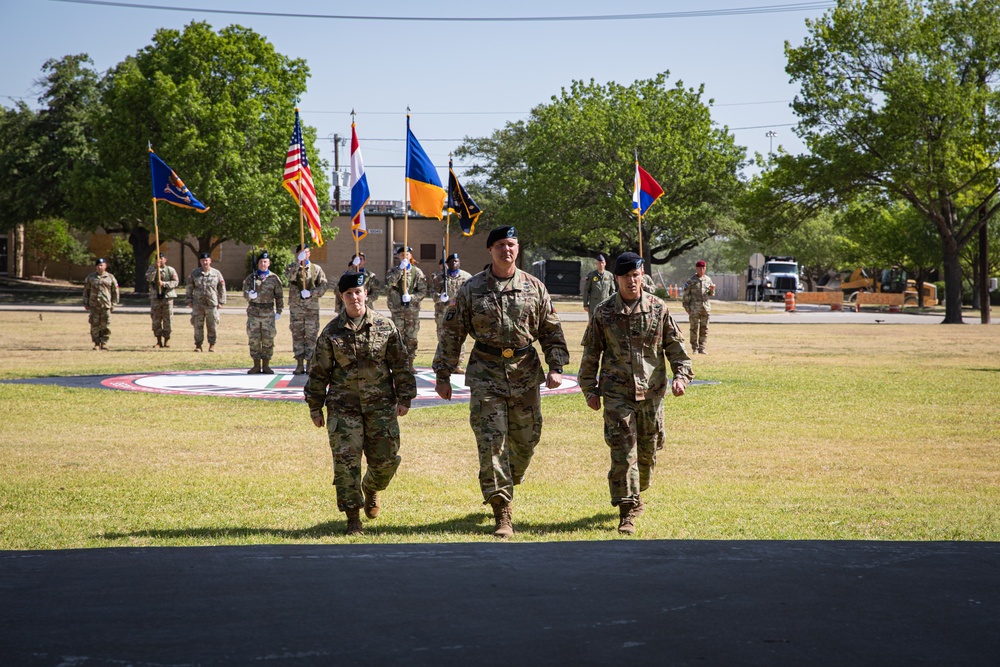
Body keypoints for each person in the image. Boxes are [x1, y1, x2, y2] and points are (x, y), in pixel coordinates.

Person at [433, 225, 569, 538]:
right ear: (490, 250)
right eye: (500, 245)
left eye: (511, 244)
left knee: (525, 443)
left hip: (525, 373)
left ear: (517, 249)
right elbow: (452, 333)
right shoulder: (471, 288)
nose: (506, 250)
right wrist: (443, 373)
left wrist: (556, 365)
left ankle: (508, 480)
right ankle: (502, 511)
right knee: (491, 443)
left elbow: (550, 330)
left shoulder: (535, 287)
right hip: (486, 373)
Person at [579, 252, 693, 535]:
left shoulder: (658, 308)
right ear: (616, 279)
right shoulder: (604, 312)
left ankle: (638, 490)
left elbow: (676, 348)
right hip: (617, 393)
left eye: (636, 275)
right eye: (626, 276)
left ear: (643, 276)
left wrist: (682, 376)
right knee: (622, 453)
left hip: (652, 392)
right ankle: (626, 509)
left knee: (648, 453)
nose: (632, 281)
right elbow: (591, 354)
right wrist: (589, 389)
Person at [305, 271, 416, 536]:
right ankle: (353, 517)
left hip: (381, 407)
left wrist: (405, 396)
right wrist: (314, 406)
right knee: (346, 463)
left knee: (386, 461)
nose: (354, 297)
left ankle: (372, 488)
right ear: (341, 297)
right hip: (344, 409)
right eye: (348, 294)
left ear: (366, 294)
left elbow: (401, 364)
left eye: (358, 292)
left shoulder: (385, 326)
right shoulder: (331, 332)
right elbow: (319, 372)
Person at [285, 244, 328, 375]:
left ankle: (310, 363)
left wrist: (311, 293)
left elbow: (323, 286)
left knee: (311, 336)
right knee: (297, 335)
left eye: (307, 252)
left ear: (310, 254)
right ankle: (299, 363)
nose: (305, 254)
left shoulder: (316, 269)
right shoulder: (292, 268)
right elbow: (289, 277)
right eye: (302, 252)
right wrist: (298, 264)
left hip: (311, 308)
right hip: (296, 308)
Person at [384, 245, 426, 371]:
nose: (404, 256)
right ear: (398, 256)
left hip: (411, 312)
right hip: (397, 311)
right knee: (397, 338)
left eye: (407, 254)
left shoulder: (417, 272)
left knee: (411, 338)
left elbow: (423, 291)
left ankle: (410, 363)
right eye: (402, 255)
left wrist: (412, 297)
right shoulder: (392, 271)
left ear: (410, 256)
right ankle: (398, 363)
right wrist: (399, 270)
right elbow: (390, 283)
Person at [428, 253, 473, 369]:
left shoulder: (467, 277)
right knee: (443, 338)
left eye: (456, 261)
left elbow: (471, 294)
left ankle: (458, 365)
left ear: (460, 263)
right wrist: (440, 297)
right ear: (446, 264)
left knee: (460, 338)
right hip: (442, 313)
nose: (454, 263)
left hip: (459, 313)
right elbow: (432, 294)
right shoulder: (439, 278)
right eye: (451, 261)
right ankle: (443, 363)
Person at [242, 251, 284, 374]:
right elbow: (245, 293)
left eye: (265, 262)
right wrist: (249, 295)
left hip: (268, 313)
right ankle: (256, 365)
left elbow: (279, 296)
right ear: (258, 263)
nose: (263, 264)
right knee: (254, 339)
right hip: (254, 313)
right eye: (261, 262)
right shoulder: (251, 278)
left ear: (269, 263)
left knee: (268, 339)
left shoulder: (274, 278)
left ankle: (266, 365)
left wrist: (279, 311)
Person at [185, 252, 227, 352]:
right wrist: (189, 300)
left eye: (206, 260)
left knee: (212, 325)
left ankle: (212, 345)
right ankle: (198, 345)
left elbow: (222, 288)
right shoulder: (195, 273)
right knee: (197, 326)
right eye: (203, 261)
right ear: (200, 261)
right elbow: (189, 287)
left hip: (211, 304)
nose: (205, 262)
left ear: (210, 261)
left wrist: (221, 301)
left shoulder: (216, 273)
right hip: (198, 304)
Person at [82, 257, 119, 350]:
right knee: (94, 325)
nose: (100, 267)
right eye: (98, 265)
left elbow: (115, 292)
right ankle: (96, 343)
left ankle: (104, 343)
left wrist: (114, 304)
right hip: (94, 305)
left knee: (105, 325)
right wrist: (85, 303)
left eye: (101, 265)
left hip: (105, 305)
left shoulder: (110, 277)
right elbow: (86, 291)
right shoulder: (91, 277)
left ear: (105, 266)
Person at [145, 252, 179, 348]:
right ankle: (158, 340)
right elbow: (149, 279)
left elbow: (175, 282)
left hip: (167, 297)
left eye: (161, 258)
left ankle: (167, 339)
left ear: (165, 260)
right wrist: (155, 269)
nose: (160, 260)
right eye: (158, 259)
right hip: (156, 298)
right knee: (156, 319)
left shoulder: (170, 270)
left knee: (167, 319)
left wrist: (164, 284)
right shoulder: (152, 269)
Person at [682, 259, 716, 354]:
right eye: (700, 268)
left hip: (705, 308)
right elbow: (686, 295)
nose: (702, 269)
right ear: (696, 268)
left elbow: (710, 294)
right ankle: (694, 348)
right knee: (694, 329)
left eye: (703, 268)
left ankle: (702, 347)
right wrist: (687, 308)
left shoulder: (708, 280)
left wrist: (712, 289)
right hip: (694, 308)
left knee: (704, 329)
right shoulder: (691, 280)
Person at [582, 253, 616, 319]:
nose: (601, 265)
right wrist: (585, 304)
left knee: (605, 324)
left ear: (605, 263)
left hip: (605, 305)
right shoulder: (591, 276)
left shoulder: (609, 275)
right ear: (596, 264)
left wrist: (612, 303)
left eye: (602, 263)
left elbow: (612, 291)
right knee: (593, 324)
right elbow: (586, 290)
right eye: (599, 263)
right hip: (594, 305)